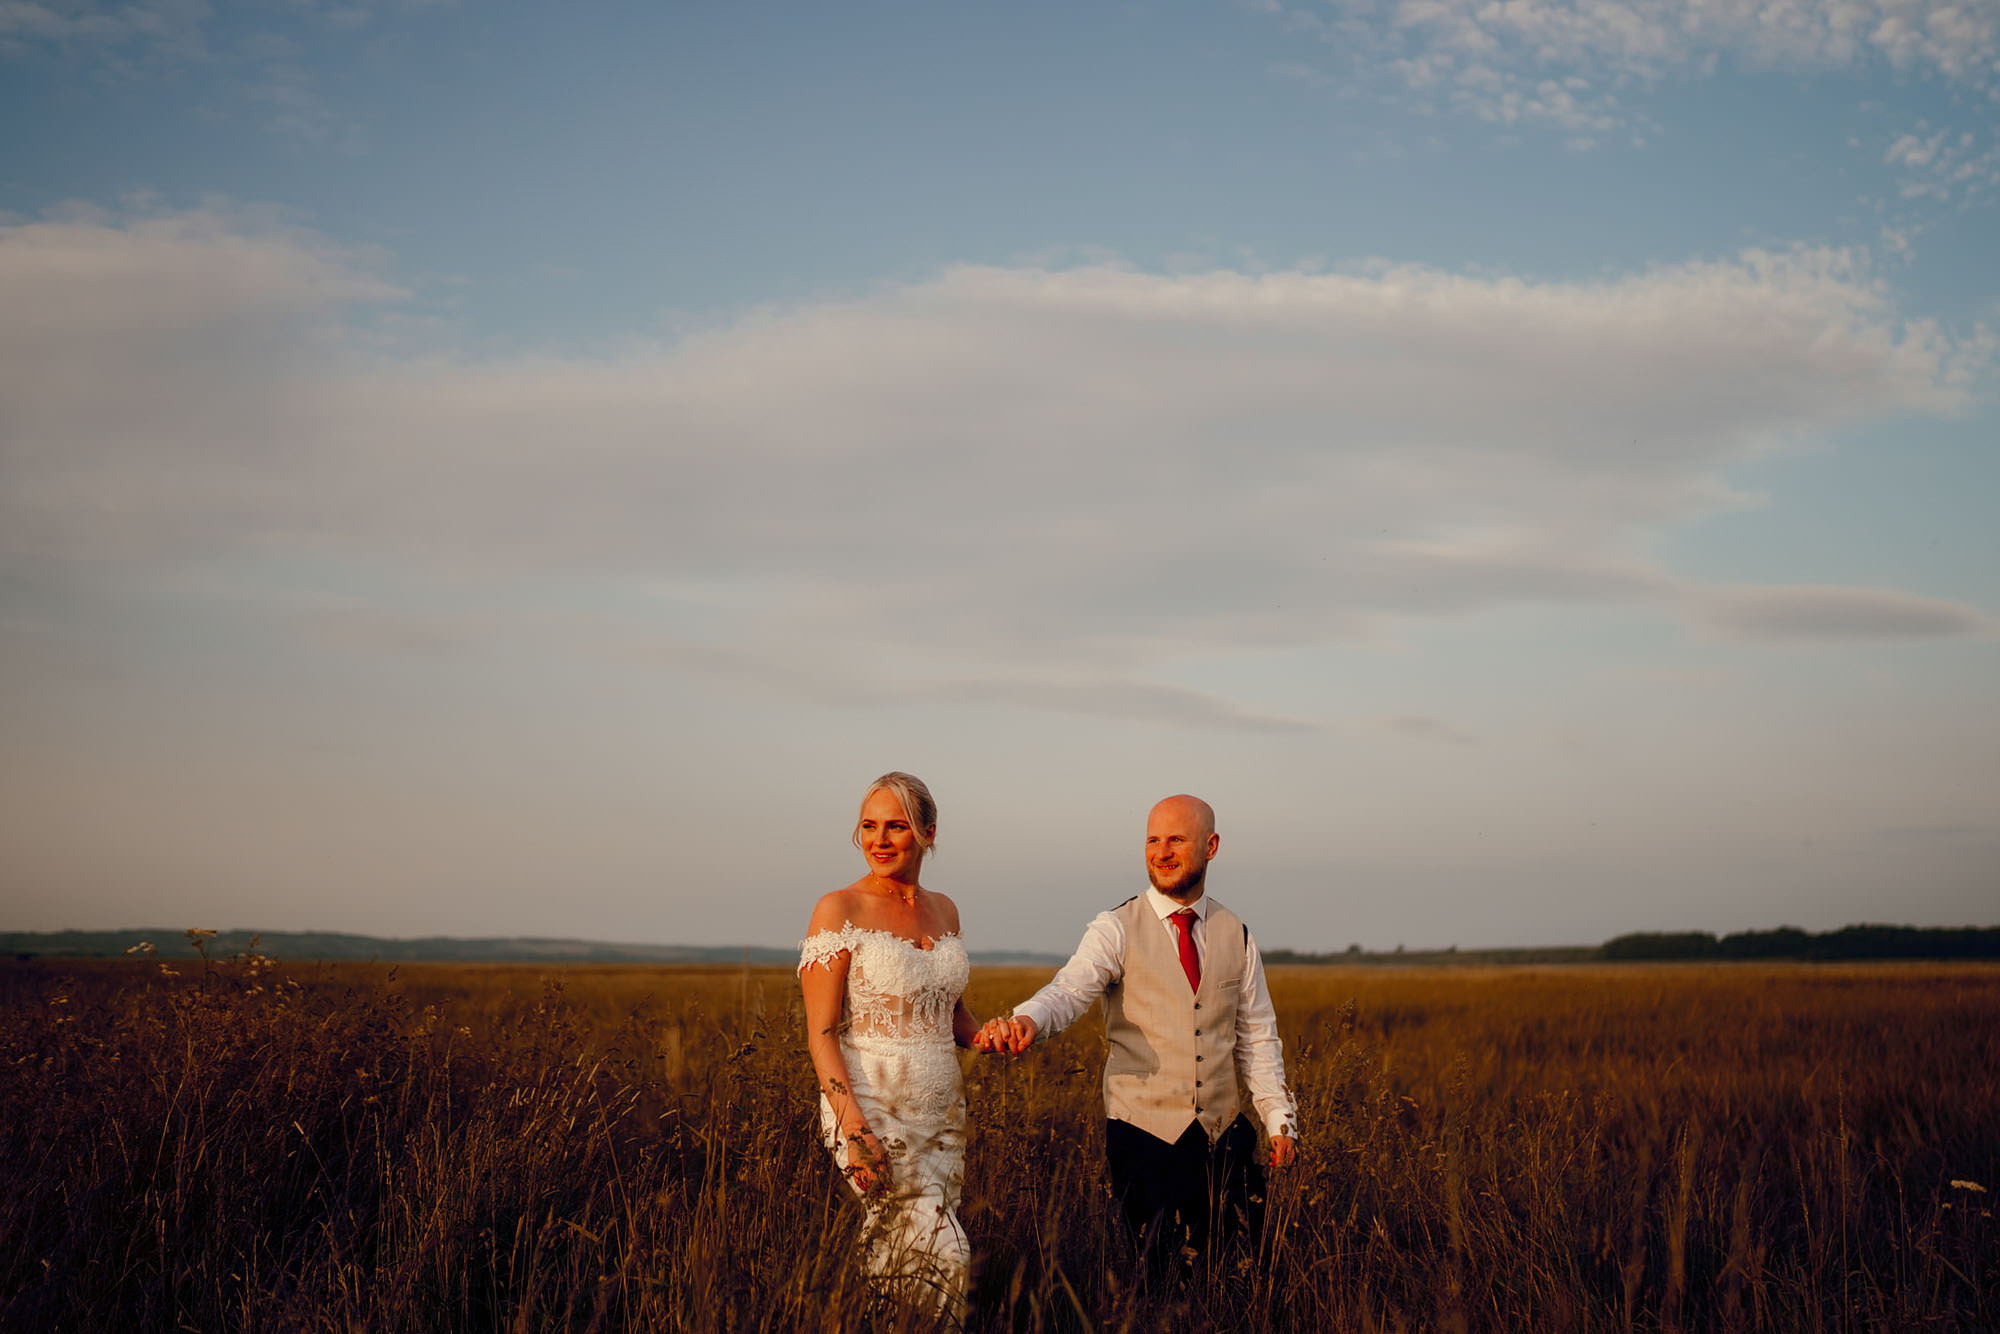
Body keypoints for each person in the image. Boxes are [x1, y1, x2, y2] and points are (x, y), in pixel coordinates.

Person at [975, 794, 1298, 1271]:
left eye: (1176, 839)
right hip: (1145, 1137)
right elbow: (1069, 990)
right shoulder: (1115, 928)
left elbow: (1257, 1037)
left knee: (1239, 1275)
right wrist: (1028, 1020)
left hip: (1225, 1135)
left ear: (1211, 846)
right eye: (1152, 839)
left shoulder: (1237, 933)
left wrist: (1278, 1118)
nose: (1161, 851)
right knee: (1158, 1285)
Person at [799, 772, 980, 1320]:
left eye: (896, 826)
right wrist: (855, 1132)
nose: (879, 839)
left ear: (927, 832)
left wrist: (992, 1034)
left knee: (903, 1251)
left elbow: (953, 1014)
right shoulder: (839, 909)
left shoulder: (945, 910)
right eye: (869, 826)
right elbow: (821, 1034)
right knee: (947, 1251)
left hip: (943, 1113)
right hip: (870, 1106)